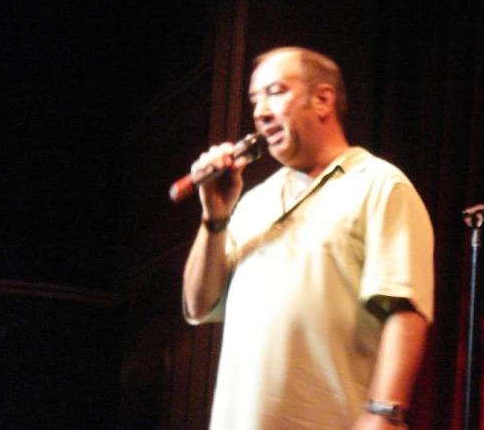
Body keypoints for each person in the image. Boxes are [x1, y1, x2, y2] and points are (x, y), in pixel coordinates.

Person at [182, 46, 434, 429]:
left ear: (322, 100)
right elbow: (199, 305)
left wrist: (384, 412)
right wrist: (214, 217)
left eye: (276, 91)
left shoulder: (379, 186)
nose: (260, 111)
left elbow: (406, 308)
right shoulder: (253, 201)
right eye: (255, 98)